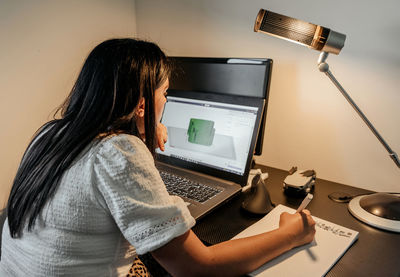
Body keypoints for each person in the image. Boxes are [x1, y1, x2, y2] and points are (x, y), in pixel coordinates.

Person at [0, 38, 316, 277]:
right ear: (140, 105)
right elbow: (197, 267)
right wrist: (290, 233)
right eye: (165, 92)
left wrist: (141, 136)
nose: (166, 100)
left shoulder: (51, 133)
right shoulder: (118, 152)